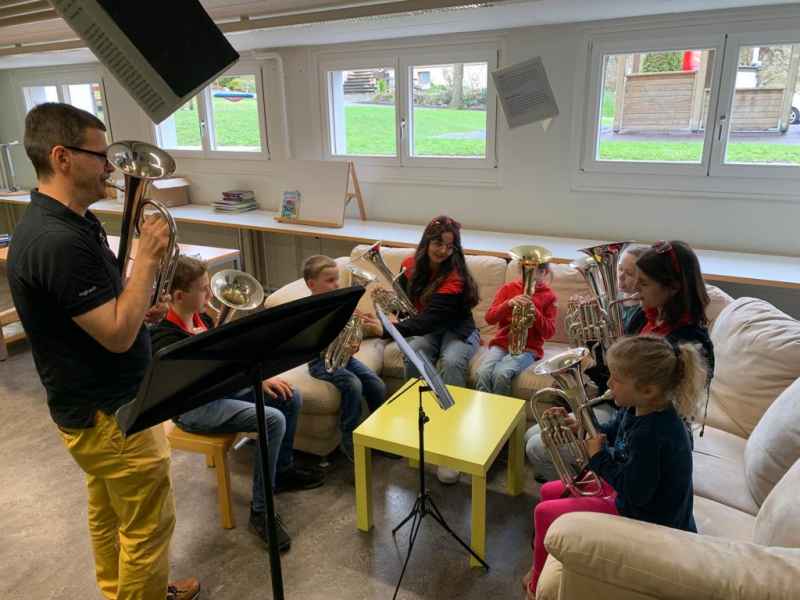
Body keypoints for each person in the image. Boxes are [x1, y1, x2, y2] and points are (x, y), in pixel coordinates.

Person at [7, 103, 198, 599]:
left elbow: (105, 313)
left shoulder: (74, 222)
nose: (111, 168)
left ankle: (120, 591)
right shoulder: (56, 241)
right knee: (148, 527)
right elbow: (115, 334)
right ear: (62, 157)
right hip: (111, 413)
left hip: (98, 406)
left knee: (110, 511)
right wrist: (148, 260)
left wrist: (140, 307)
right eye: (100, 156)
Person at [150, 256, 324, 553]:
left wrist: (258, 377)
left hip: (219, 392)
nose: (211, 294)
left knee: (289, 397)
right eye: (204, 289)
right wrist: (245, 377)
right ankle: (261, 511)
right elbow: (194, 384)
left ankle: (281, 471)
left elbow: (226, 362)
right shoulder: (164, 338)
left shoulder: (203, 318)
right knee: (273, 419)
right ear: (179, 296)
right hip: (194, 407)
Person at [525, 335, 706, 596]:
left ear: (648, 390)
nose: (608, 383)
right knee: (547, 491)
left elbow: (636, 493)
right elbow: (613, 431)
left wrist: (598, 458)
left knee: (544, 512)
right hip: (634, 496)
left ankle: (536, 586)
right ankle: (546, 560)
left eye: (616, 379)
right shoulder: (637, 408)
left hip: (648, 518)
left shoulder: (654, 432)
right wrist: (580, 425)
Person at [525, 241, 714, 482]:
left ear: (673, 287)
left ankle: (598, 490)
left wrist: (591, 427)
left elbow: (658, 409)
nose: (634, 289)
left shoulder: (691, 342)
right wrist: (595, 343)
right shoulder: (643, 317)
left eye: (643, 283)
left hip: (642, 431)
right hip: (623, 413)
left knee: (537, 447)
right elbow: (616, 373)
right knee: (534, 434)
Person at [388, 216, 481, 484]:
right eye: (438, 243)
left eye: (450, 246)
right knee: (413, 353)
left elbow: (429, 320)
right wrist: (393, 313)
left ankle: (452, 444)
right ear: (427, 241)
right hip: (429, 329)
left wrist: (387, 329)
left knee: (451, 362)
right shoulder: (409, 265)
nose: (443, 250)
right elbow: (404, 305)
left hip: (458, 329)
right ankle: (415, 423)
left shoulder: (455, 276)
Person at [303, 254, 386, 462]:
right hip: (320, 362)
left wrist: (355, 338)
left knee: (377, 385)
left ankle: (378, 436)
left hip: (344, 358)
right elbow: (313, 342)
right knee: (353, 384)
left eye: (337, 279)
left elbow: (351, 331)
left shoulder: (340, 302)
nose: (337, 284)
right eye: (330, 280)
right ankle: (348, 439)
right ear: (311, 284)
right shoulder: (309, 309)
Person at [475, 261, 557, 396]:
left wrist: (535, 312)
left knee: (501, 374)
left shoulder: (550, 297)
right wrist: (508, 304)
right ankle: (485, 407)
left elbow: (549, 332)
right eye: (526, 271)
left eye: (538, 272)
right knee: (482, 373)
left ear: (545, 273)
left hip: (528, 348)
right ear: (519, 270)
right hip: (502, 343)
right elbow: (489, 318)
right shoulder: (508, 289)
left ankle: (503, 408)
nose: (531, 276)